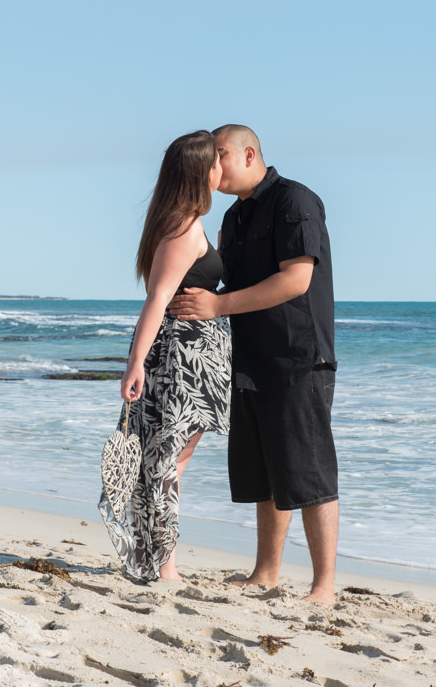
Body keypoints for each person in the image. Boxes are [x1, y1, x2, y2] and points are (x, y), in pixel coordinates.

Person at [167, 124, 338, 604]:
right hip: (247, 357)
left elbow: (296, 280)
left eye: (220, 155)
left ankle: (323, 586)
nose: (214, 167)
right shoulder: (234, 218)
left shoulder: (295, 201)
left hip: (298, 356)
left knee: (309, 472)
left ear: (248, 154)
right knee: (264, 472)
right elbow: (236, 288)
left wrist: (217, 307)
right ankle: (266, 573)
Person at [98, 129, 231, 582]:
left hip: (190, 359)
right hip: (180, 361)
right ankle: (163, 566)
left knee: (169, 460)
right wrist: (134, 364)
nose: (222, 168)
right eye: (217, 160)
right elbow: (157, 299)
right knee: (168, 461)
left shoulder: (183, 221)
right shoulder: (183, 226)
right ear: (201, 171)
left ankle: (157, 561)